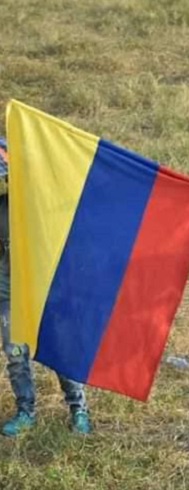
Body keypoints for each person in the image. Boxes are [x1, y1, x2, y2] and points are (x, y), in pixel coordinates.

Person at [0, 138, 92, 437]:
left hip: (46, 288)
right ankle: (25, 411)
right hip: (8, 291)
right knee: (15, 354)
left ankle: (78, 408)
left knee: (60, 350)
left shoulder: (41, 203)